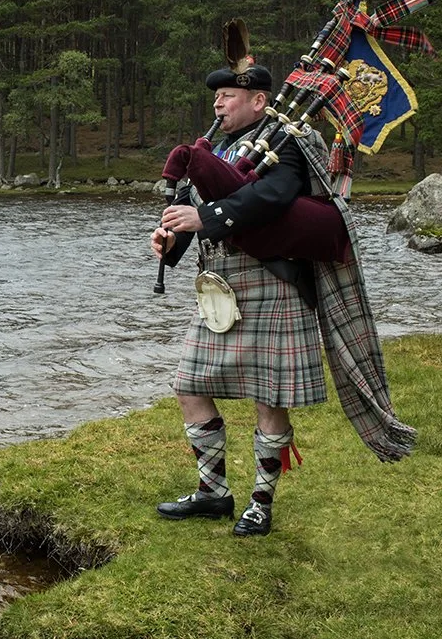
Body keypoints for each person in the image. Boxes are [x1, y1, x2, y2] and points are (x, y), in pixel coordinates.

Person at [150, 59, 330, 537]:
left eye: (228, 95)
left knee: (268, 397)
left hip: (272, 281)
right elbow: (192, 210)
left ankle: (260, 503)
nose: (218, 102)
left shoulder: (288, 140)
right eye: (216, 96)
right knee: (190, 385)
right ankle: (213, 494)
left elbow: (273, 196)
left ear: (258, 101)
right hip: (220, 288)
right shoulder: (215, 148)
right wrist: (172, 242)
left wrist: (204, 218)